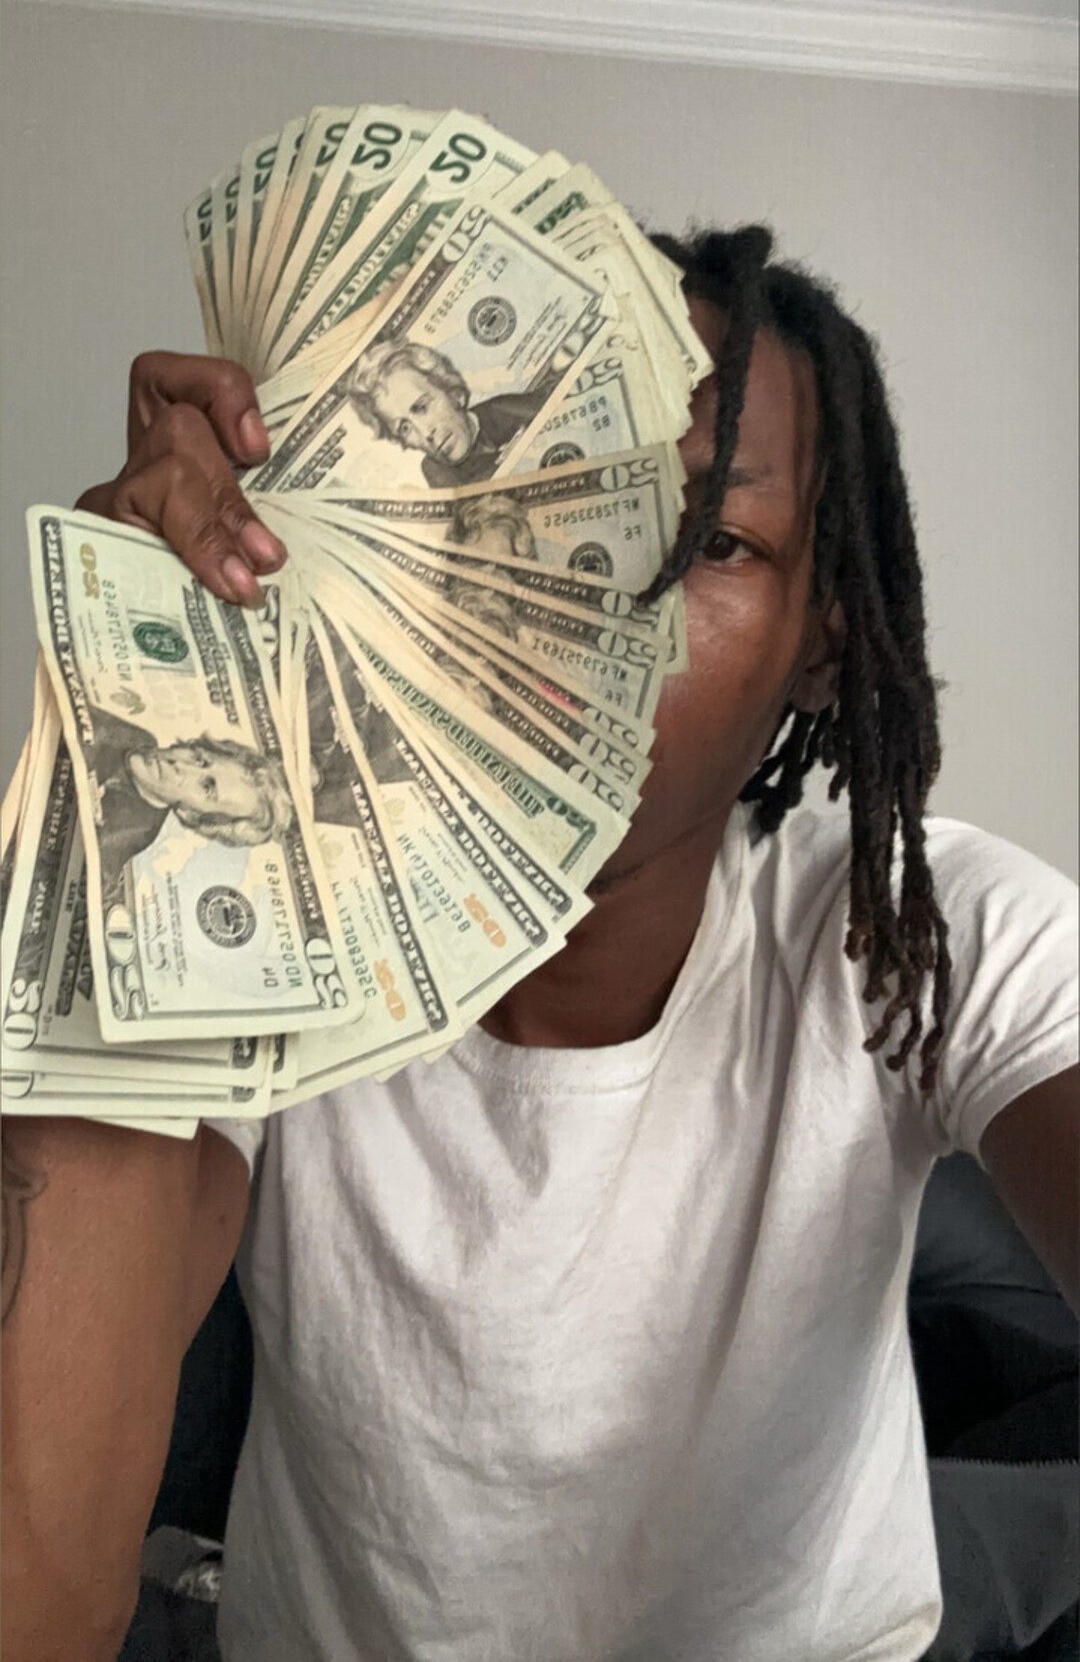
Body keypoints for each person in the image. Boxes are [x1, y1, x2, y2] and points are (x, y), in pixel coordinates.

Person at [3, 227, 1077, 1662]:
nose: (589, 607)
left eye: (708, 542)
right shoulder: (273, 925)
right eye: (528, 511)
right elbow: (37, 1596)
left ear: (822, 640)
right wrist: (135, 711)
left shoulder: (921, 922)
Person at [84, 709, 294, 908]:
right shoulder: (136, 739)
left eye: (206, 787)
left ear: (192, 814)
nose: (180, 765)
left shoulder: (129, 834)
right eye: (200, 760)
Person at [341, 338, 544, 487]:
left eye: (421, 407)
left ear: (454, 394)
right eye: (405, 428)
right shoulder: (437, 473)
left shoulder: (502, 410)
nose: (425, 432)